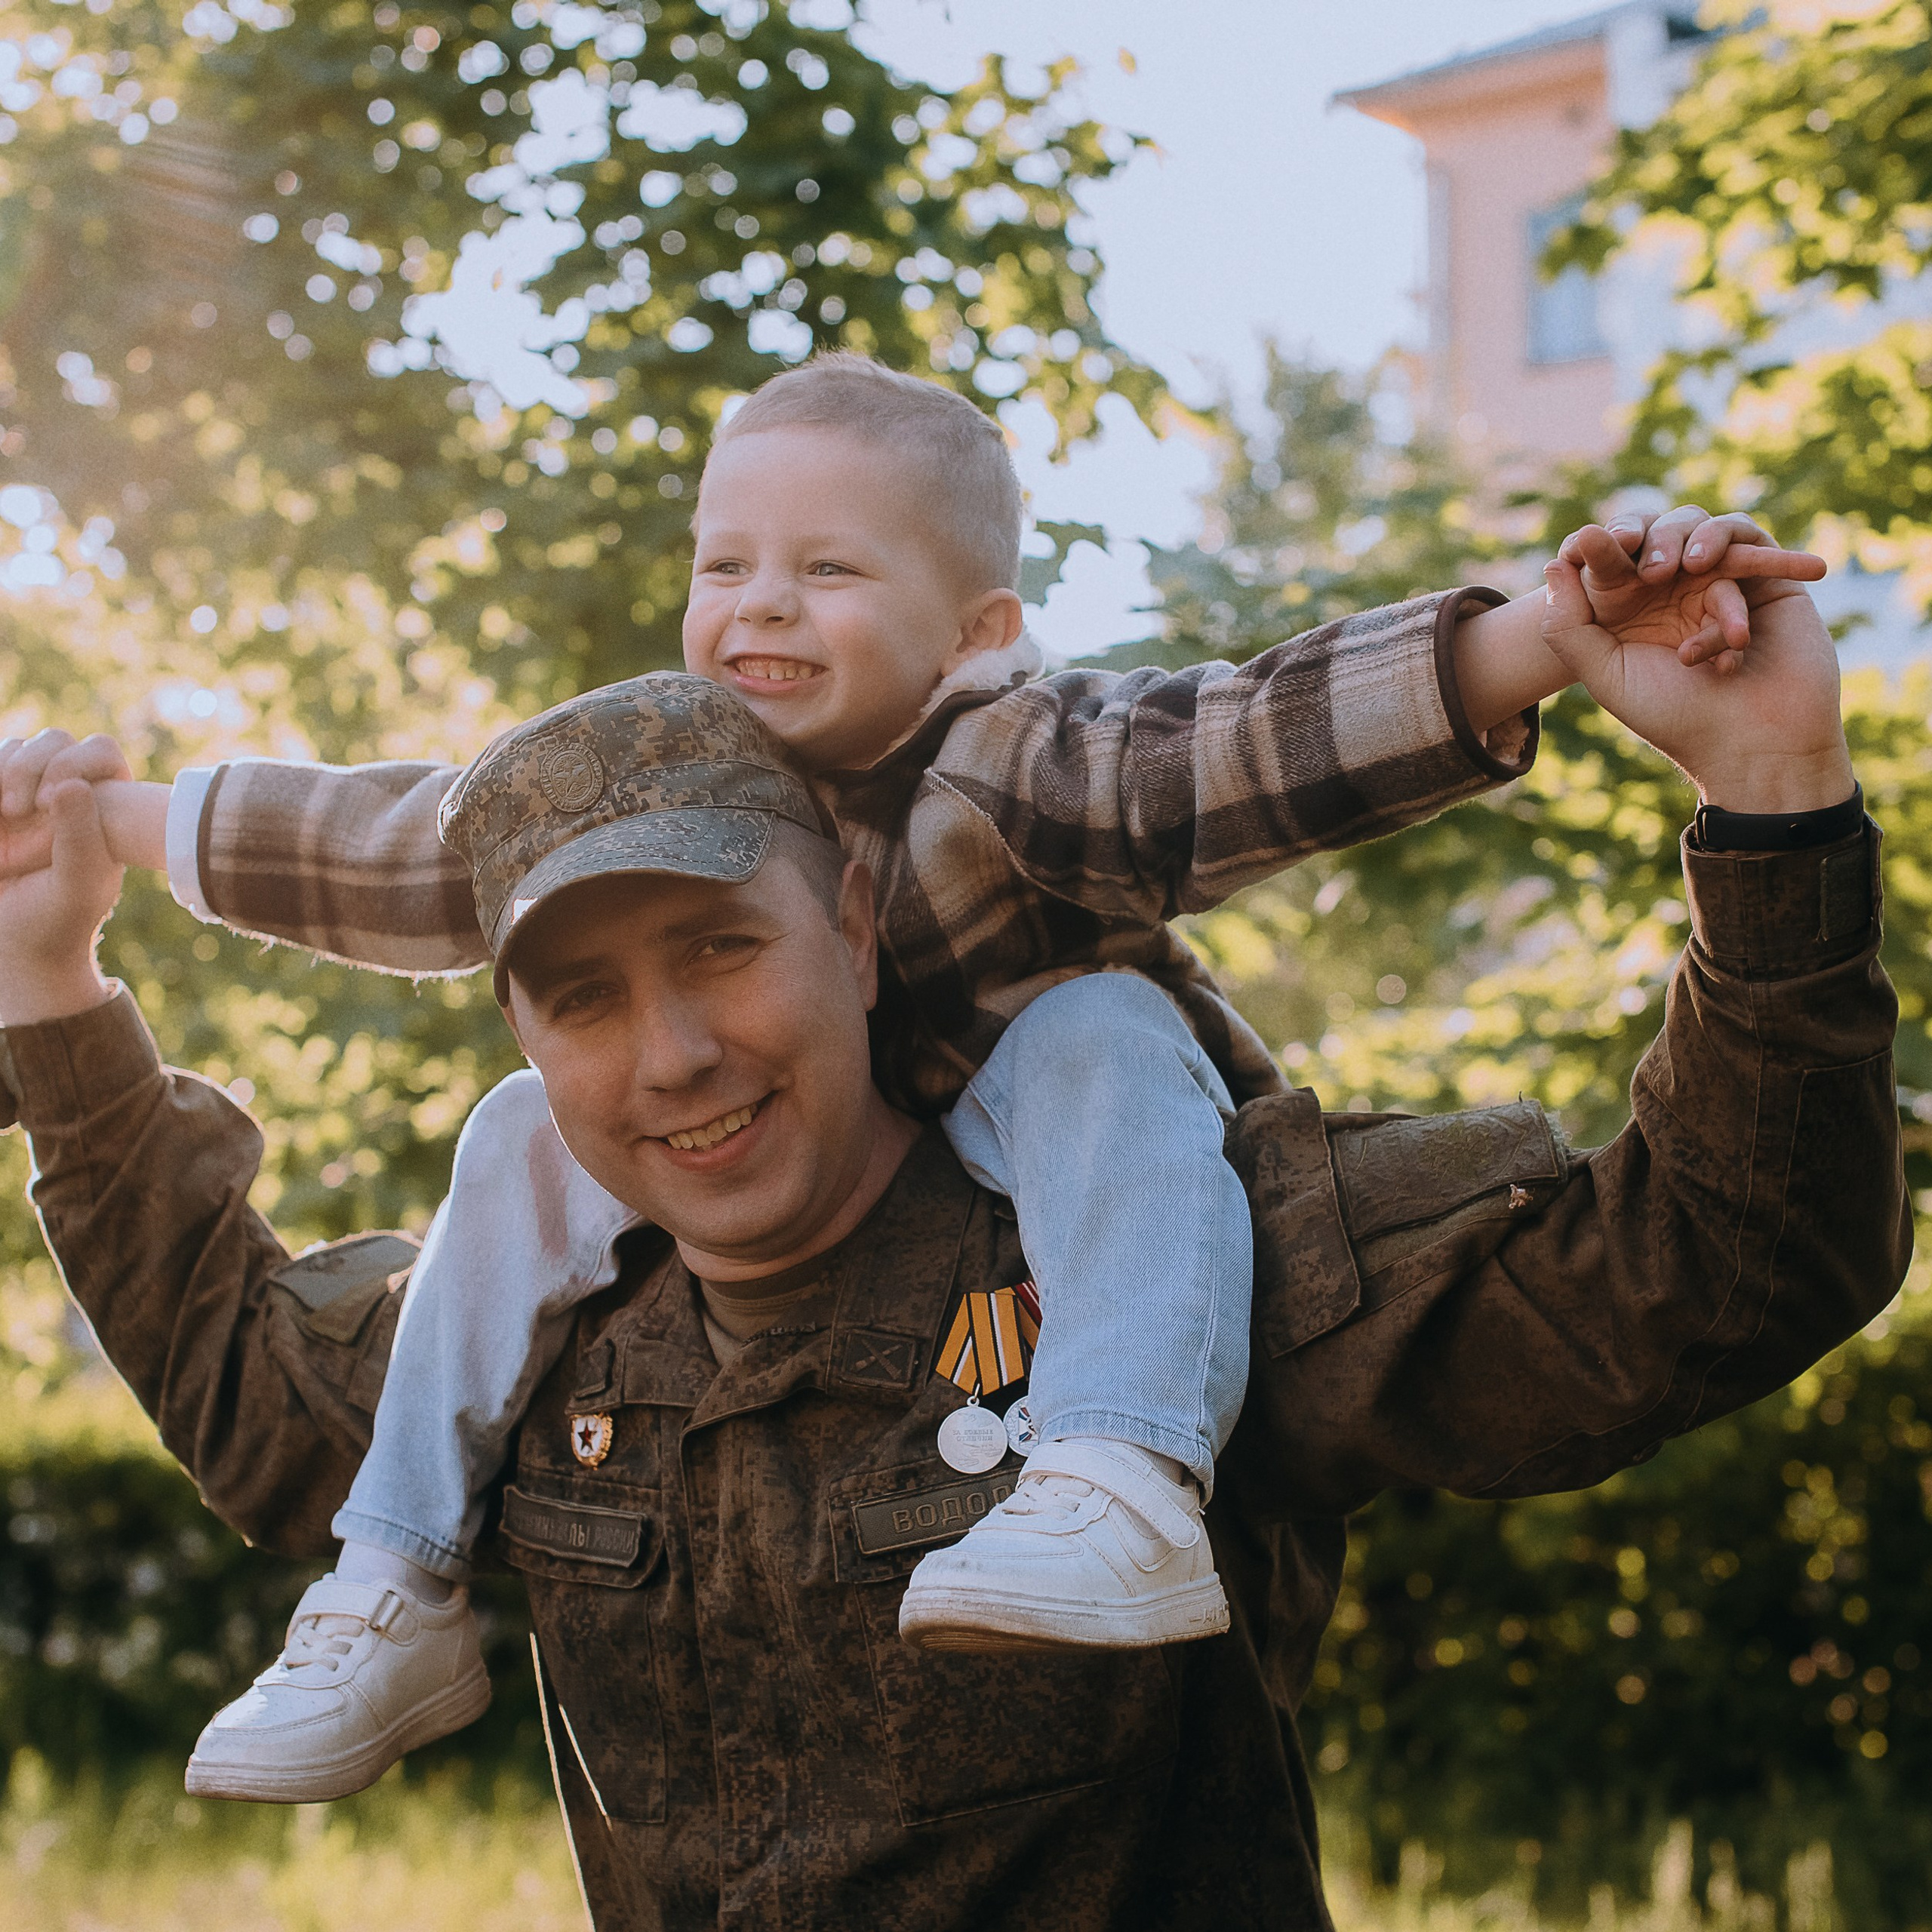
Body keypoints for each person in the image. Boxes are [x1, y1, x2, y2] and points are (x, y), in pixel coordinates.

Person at [0, 356, 1833, 1804]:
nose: (758, 607)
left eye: (723, 946)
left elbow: (1248, 743)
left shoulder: (1018, 760)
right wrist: (79, 888)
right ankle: (390, 1584)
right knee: (503, 1140)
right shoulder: (580, 1308)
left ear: (855, 917)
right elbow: (392, 846)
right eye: (725, 565)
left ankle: (1115, 1462)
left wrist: (1596, 682)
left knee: (1098, 1036)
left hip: (1095, 1209)